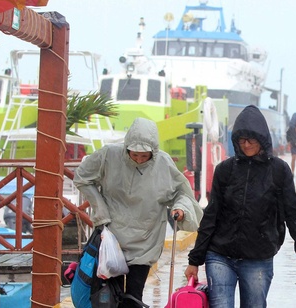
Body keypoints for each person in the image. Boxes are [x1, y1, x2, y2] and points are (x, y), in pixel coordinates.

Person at [184, 105, 296, 308]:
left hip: (258, 258)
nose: (246, 145)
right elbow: (212, 215)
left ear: (262, 139)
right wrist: (195, 259)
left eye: (251, 139)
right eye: (241, 140)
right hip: (220, 255)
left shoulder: (278, 170)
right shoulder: (225, 170)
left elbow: (293, 209)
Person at [73, 117, 203, 307]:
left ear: (154, 152)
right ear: (126, 148)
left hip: (145, 240)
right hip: (112, 239)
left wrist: (180, 209)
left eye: (145, 156)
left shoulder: (164, 164)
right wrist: (100, 209)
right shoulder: (109, 155)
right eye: (134, 155)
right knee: (107, 297)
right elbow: (82, 177)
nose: (139, 159)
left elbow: (182, 193)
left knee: (134, 297)